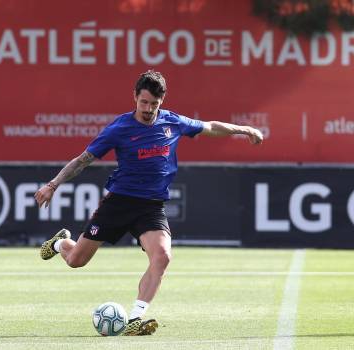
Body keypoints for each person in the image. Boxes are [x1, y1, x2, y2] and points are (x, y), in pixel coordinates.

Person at [34, 70, 263, 336]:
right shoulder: (119, 129)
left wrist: (244, 129)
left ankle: (135, 318)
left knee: (163, 256)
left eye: (154, 104)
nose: (148, 109)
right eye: (143, 103)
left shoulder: (173, 122)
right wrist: (53, 185)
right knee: (76, 260)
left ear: (162, 101)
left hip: (151, 206)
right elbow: (83, 160)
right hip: (119, 203)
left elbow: (210, 127)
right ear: (135, 97)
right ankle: (61, 242)